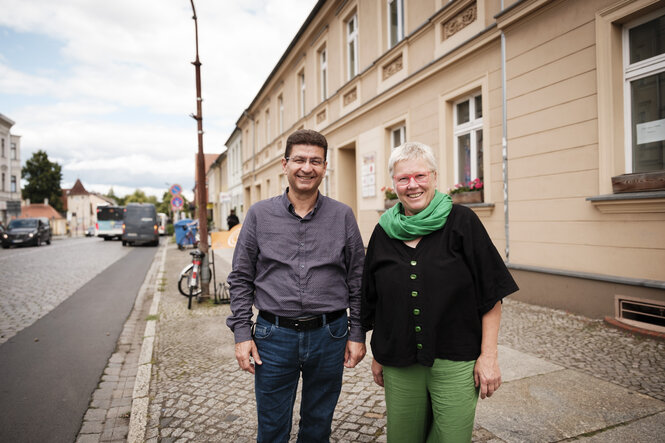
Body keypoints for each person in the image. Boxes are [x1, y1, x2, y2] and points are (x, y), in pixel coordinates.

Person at [361, 142, 519, 442]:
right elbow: (374, 300)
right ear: (393, 184)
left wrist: (489, 356)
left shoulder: (463, 222)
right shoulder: (383, 231)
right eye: (403, 178)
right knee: (403, 438)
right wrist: (379, 354)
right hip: (399, 361)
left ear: (434, 176)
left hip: (456, 359)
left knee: (451, 437)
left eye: (420, 176)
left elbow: (491, 294)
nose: (412, 185)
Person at [226, 129, 367, 442]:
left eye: (315, 161)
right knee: (273, 428)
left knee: (318, 425)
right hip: (273, 337)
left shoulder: (342, 215)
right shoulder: (259, 215)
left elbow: (358, 278)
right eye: (300, 160)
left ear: (325, 167)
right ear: (285, 164)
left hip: (329, 335)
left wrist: (357, 333)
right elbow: (240, 278)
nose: (307, 167)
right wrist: (241, 334)